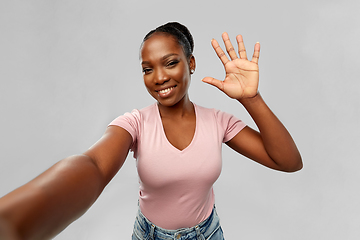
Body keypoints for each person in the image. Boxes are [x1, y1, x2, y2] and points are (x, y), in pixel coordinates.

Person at [0, 22, 302, 240]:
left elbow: (287, 162)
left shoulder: (219, 121)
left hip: (207, 233)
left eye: (170, 63)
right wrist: (16, 220)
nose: (158, 78)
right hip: (149, 236)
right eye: (147, 69)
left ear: (191, 63)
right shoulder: (134, 123)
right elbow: (93, 166)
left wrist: (251, 98)